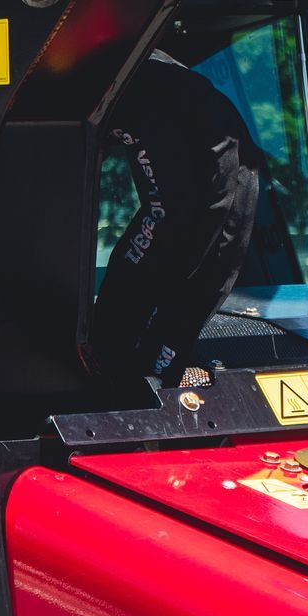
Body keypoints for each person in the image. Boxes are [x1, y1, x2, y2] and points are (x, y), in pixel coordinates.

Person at [87, 49, 265, 382]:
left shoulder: (139, 98)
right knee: (180, 272)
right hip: (220, 147)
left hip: (218, 152)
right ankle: (133, 368)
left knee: (178, 265)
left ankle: (127, 369)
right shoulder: (156, 84)